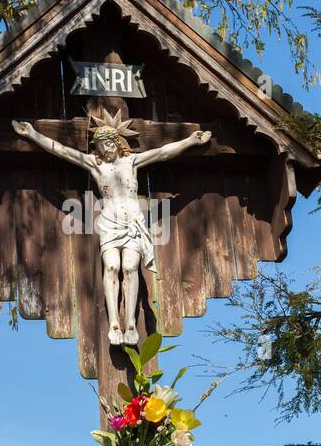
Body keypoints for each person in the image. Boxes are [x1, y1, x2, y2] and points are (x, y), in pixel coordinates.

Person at [12, 110, 210, 345]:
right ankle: (114, 323)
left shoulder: (131, 161)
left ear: (117, 142)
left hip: (133, 223)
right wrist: (34, 134)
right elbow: (63, 151)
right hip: (109, 223)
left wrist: (189, 141)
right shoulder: (95, 165)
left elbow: (162, 153)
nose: (106, 148)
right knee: (112, 267)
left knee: (129, 268)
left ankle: (130, 324)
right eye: (101, 145)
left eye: (109, 143)